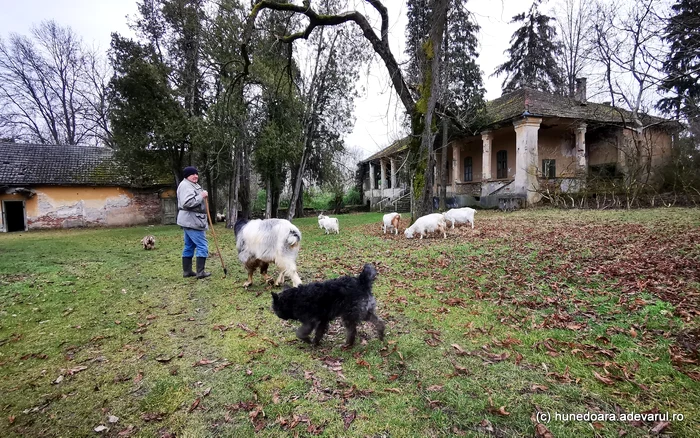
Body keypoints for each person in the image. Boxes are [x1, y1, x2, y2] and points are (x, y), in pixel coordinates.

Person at [177, 166, 211, 279]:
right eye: (193, 174)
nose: (196, 176)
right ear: (187, 176)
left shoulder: (191, 185)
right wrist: (201, 196)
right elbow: (187, 203)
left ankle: (187, 271)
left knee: (189, 245)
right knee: (202, 245)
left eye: (196, 174)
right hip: (192, 220)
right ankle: (200, 273)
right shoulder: (186, 186)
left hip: (190, 220)